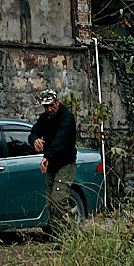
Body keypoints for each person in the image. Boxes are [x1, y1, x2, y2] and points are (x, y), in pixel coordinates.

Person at [29, 88, 77, 230]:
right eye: (46, 106)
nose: (49, 109)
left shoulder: (67, 116)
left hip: (65, 163)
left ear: (57, 102)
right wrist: (35, 140)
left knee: (59, 200)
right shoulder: (45, 117)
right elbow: (33, 131)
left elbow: (60, 140)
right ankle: (58, 238)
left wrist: (47, 156)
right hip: (51, 165)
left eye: (51, 105)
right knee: (51, 203)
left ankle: (71, 234)